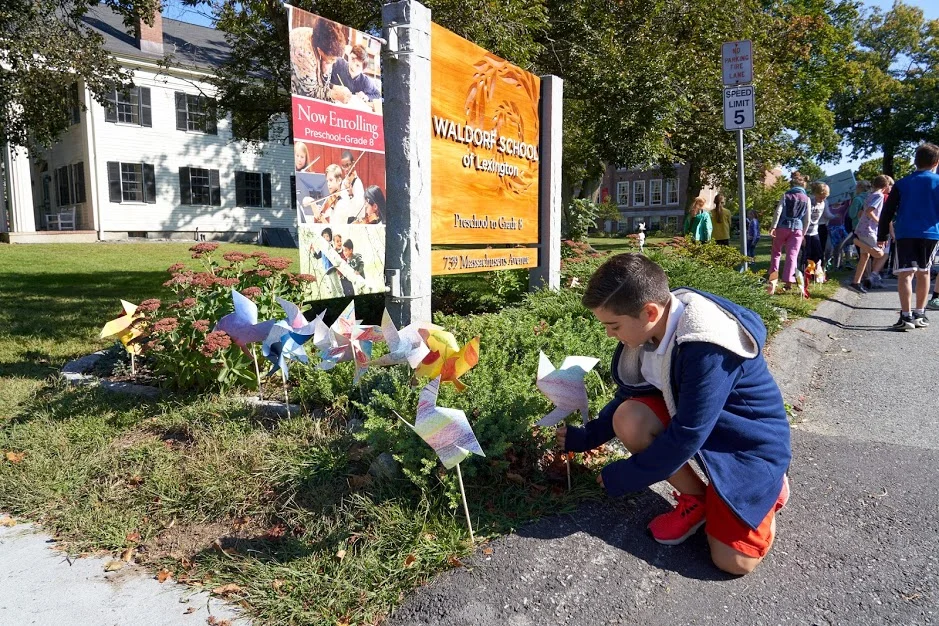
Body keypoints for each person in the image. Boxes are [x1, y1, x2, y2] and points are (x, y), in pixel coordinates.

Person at [557, 253, 791, 575]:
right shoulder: (652, 328)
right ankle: (697, 500)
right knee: (629, 417)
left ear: (649, 312)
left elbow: (687, 435)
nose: (610, 334)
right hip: (700, 426)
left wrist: (626, 474)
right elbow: (633, 393)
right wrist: (586, 437)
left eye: (614, 326)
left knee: (734, 562)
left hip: (745, 443)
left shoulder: (705, 346)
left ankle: (770, 488)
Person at [877, 143, 939, 331]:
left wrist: (882, 235)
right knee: (924, 272)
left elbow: (887, 211)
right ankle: (920, 313)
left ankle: (906, 316)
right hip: (931, 233)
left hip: (906, 232)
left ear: (915, 161)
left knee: (905, 273)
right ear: (936, 162)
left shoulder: (902, 183)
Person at [769, 172, 810, 291]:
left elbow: (778, 211)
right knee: (792, 255)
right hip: (797, 229)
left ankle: (773, 281)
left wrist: (773, 226)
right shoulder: (807, 199)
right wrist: (803, 234)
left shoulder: (786, 195)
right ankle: (788, 282)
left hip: (782, 227)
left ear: (792, 185)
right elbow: (807, 219)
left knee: (776, 253)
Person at [849, 175, 891, 293]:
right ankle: (854, 240)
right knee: (879, 253)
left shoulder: (870, 195)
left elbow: (862, 212)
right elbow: (869, 211)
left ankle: (856, 282)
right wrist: (879, 222)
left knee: (865, 256)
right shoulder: (879, 196)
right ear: (886, 185)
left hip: (862, 228)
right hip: (868, 230)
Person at [290, 19, 348, 102]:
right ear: (320, 51)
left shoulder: (324, 40)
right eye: (332, 59)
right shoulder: (303, 53)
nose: (334, 62)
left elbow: (323, 83)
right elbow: (310, 93)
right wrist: (334, 95)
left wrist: (333, 87)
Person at [331, 44, 382, 109]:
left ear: (363, 70)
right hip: (332, 105)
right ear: (349, 55)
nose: (353, 66)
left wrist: (366, 97)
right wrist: (334, 87)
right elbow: (322, 80)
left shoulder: (365, 82)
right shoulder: (338, 63)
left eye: (358, 65)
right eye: (352, 59)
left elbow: (378, 95)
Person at [803, 182, 829, 268]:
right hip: (805, 232)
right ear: (815, 194)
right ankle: (807, 271)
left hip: (814, 231)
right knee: (807, 253)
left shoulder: (823, 203)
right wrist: (803, 234)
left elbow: (825, 215)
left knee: (818, 253)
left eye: (824, 197)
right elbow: (805, 218)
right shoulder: (809, 201)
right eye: (820, 197)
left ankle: (817, 270)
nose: (822, 199)